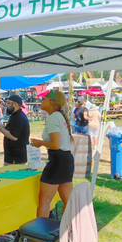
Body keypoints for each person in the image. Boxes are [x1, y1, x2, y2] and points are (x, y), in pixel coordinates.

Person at [30, 90, 74, 218]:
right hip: (66, 160)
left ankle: (39, 235)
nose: (41, 101)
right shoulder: (59, 116)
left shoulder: (53, 118)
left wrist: (40, 143)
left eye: (44, 98)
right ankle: (67, 231)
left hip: (57, 161)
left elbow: (55, 144)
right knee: (68, 201)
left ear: (52, 102)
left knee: (44, 202)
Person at [0, 95, 30, 165]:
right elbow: (11, 130)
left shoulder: (18, 117)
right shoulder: (16, 116)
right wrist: (3, 127)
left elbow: (13, 136)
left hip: (16, 157)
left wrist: (0, 128)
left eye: (8, 103)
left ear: (15, 104)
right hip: (13, 156)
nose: (7, 105)